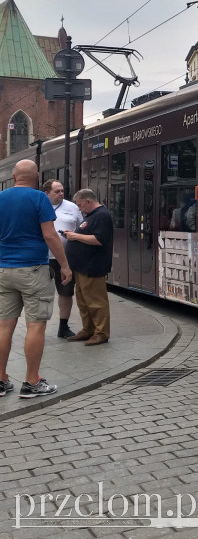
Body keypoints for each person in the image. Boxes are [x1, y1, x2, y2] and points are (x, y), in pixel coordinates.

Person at [0, 159, 72, 398]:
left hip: (4, 270)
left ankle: (1, 380)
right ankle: (31, 382)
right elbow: (50, 235)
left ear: (13, 176)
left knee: (3, 326)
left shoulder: (1, 198)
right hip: (33, 269)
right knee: (36, 325)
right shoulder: (39, 198)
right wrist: (64, 265)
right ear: (37, 177)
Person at [63, 189, 114, 346]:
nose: (79, 208)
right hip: (81, 266)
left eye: (80, 205)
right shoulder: (90, 216)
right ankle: (88, 329)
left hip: (93, 266)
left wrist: (75, 236)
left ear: (88, 201)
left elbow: (99, 239)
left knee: (96, 302)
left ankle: (101, 333)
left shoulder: (101, 215)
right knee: (83, 301)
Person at [43, 179, 83, 339]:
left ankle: (63, 326)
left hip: (64, 259)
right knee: (40, 294)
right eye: (57, 191)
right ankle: (37, 327)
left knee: (66, 293)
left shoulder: (72, 207)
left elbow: (82, 227)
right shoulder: (38, 204)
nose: (61, 194)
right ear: (47, 193)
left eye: (62, 191)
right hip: (42, 258)